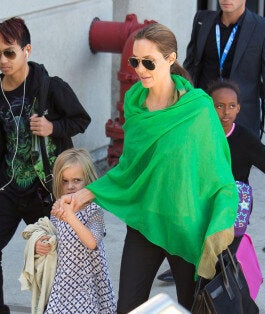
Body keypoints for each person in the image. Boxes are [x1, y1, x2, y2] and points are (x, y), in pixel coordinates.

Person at [55, 23, 238, 312]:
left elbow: (218, 172)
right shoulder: (135, 102)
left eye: (148, 62)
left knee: (192, 307)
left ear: (170, 59)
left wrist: (220, 222)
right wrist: (84, 194)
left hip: (186, 225)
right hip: (146, 221)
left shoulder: (199, 108)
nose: (140, 69)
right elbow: (130, 167)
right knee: (127, 307)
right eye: (134, 61)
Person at [0, 17, 91, 313]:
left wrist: (53, 127)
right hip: (6, 186)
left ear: (27, 49)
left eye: (9, 52)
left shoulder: (50, 87)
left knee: (53, 255)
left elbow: (81, 119)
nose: (2, 60)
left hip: (45, 189)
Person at [157, 80, 265, 283]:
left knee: (221, 264)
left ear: (238, 108)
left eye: (231, 106)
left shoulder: (244, 138)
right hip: (201, 205)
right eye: (219, 106)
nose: (225, 112)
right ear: (209, 107)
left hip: (232, 210)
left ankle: (227, 298)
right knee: (199, 261)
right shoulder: (196, 134)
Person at [183, 0, 265, 164]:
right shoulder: (202, 20)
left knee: (237, 184)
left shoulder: (264, 29)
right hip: (203, 118)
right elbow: (189, 69)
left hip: (240, 122)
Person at [32, 148, 116, 313]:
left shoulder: (94, 211)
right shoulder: (57, 210)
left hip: (89, 284)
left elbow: (92, 242)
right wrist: (39, 244)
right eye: (64, 181)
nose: (70, 186)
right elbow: (52, 238)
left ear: (88, 180)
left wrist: (70, 216)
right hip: (63, 284)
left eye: (77, 180)